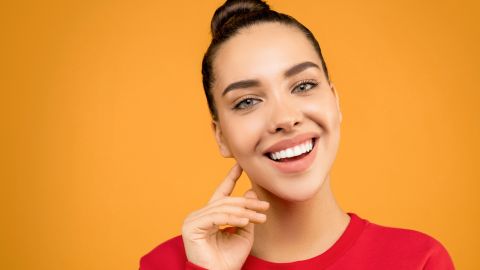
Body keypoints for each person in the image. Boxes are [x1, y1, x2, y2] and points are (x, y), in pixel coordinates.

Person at [139, 0, 455, 269]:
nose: (285, 119)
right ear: (220, 136)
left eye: (303, 86)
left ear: (335, 101)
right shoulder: (167, 264)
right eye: (247, 101)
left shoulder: (418, 261)